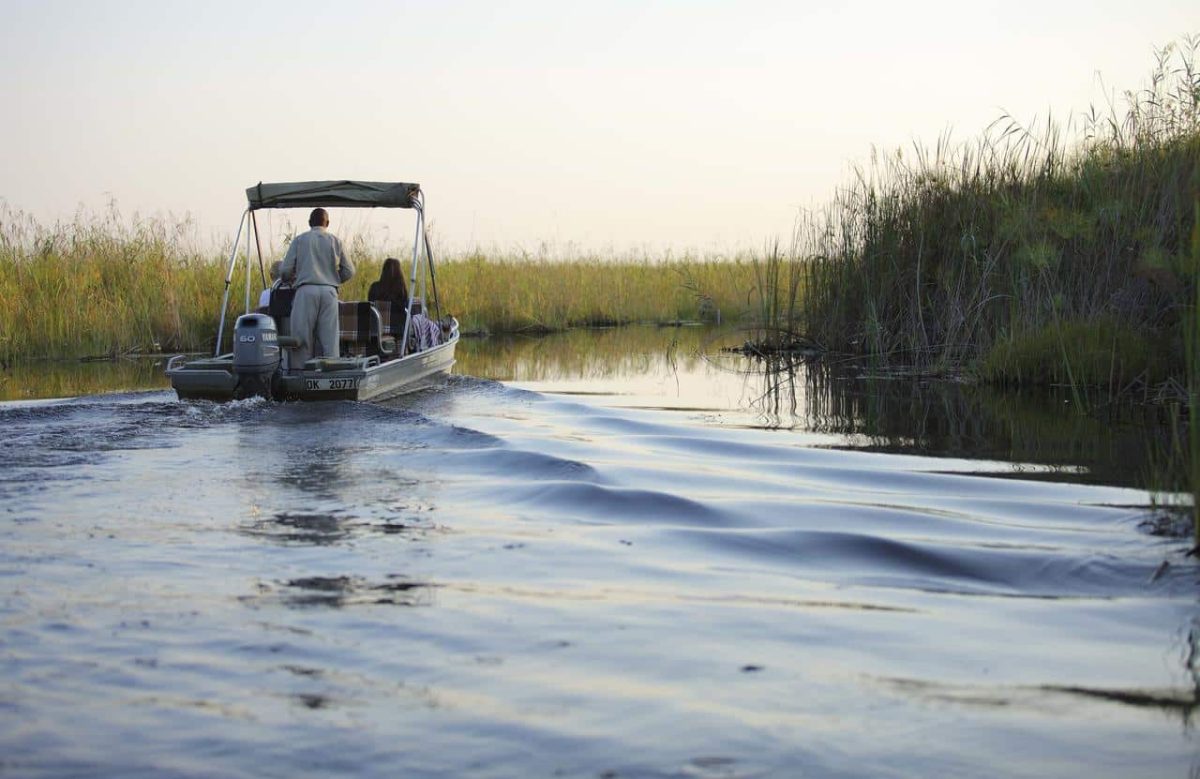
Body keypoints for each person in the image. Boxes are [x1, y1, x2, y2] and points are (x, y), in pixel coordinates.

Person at [280, 207, 355, 366]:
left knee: (301, 338)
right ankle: (331, 374)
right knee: (330, 340)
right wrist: (334, 279)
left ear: (309, 223)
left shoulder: (300, 240)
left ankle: (300, 374)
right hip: (329, 292)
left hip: (305, 290)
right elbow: (349, 270)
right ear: (327, 223)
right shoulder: (336, 241)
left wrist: (291, 279)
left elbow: (285, 270)